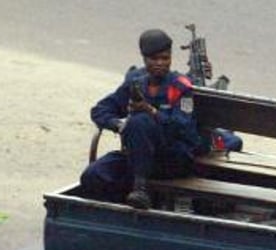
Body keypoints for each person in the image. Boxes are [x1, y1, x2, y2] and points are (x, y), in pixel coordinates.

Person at [80, 29, 202, 209]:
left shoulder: (180, 87)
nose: (160, 63)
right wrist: (120, 125)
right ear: (144, 59)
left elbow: (181, 127)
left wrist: (151, 111)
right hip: (137, 156)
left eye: (165, 58)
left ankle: (141, 189)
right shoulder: (136, 81)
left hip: (172, 160)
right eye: (154, 59)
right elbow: (100, 110)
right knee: (93, 175)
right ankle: (123, 210)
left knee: (141, 121)